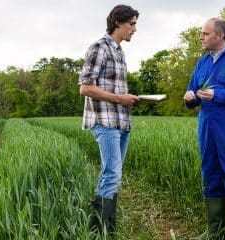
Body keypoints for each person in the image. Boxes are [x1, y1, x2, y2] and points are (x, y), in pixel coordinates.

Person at [184, 18, 225, 239]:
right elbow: (192, 93)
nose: (201, 37)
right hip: (207, 127)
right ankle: (216, 233)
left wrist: (218, 94)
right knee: (210, 176)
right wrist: (190, 98)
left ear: (220, 35)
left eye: (205, 33)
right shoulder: (202, 63)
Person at [78, 4, 141, 234]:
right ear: (118, 23)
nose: (134, 29)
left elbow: (115, 89)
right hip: (104, 121)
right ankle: (104, 230)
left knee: (114, 172)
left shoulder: (119, 51)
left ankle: (99, 227)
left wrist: (131, 99)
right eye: (131, 24)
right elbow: (85, 88)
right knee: (112, 173)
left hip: (121, 121)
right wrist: (119, 98)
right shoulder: (99, 48)